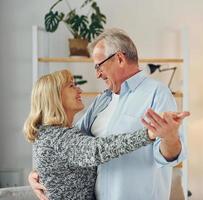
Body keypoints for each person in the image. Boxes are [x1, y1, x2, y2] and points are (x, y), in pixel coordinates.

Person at [29, 28, 188, 200]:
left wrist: (170, 137)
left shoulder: (157, 94)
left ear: (119, 59)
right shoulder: (101, 101)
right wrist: (40, 172)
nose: (97, 74)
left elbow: (169, 157)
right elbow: (74, 148)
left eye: (99, 66)